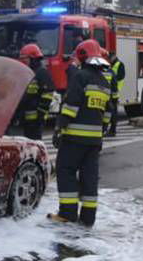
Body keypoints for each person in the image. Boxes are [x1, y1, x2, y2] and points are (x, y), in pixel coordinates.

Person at [48, 39, 112, 227]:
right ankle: (88, 217)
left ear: (83, 56)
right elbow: (108, 113)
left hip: (74, 138)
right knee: (89, 178)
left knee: (65, 170)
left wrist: (60, 128)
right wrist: (101, 131)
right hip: (94, 142)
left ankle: (67, 214)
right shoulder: (104, 82)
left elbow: (71, 105)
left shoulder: (81, 77)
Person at [17, 43, 55, 142]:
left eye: (25, 58)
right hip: (26, 117)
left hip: (36, 119)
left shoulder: (41, 72)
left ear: (33, 58)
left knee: (35, 143)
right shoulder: (27, 72)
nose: (23, 61)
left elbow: (48, 94)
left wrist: (40, 114)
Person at [107, 51, 125, 137]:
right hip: (110, 92)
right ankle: (111, 129)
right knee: (110, 112)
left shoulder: (119, 64)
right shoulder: (111, 65)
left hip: (115, 92)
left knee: (113, 113)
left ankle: (113, 130)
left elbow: (121, 76)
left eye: (110, 57)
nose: (109, 59)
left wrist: (112, 79)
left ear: (114, 56)